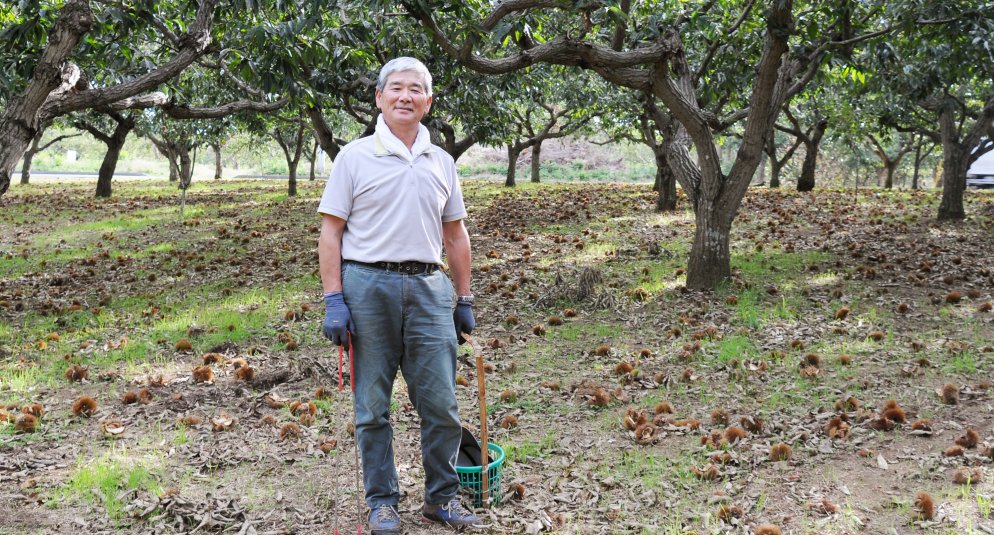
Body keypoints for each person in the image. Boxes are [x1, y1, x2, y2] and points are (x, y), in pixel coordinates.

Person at [317, 57, 482, 534]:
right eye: (396, 88)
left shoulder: (442, 162)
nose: (405, 96)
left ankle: (442, 498)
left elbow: (456, 236)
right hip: (369, 285)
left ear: (428, 102)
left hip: (430, 287)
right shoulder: (354, 157)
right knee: (372, 406)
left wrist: (464, 298)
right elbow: (331, 233)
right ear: (380, 98)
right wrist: (334, 299)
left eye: (416, 89)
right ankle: (383, 502)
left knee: (442, 405)